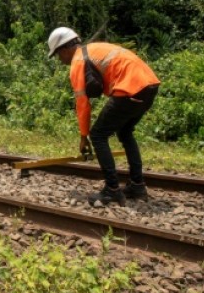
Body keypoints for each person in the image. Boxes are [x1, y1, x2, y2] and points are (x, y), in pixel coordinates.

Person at [47, 27, 161, 206]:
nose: (60, 60)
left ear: (64, 49)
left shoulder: (78, 61)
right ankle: (137, 186)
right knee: (125, 132)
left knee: (98, 135)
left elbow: (82, 104)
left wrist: (84, 136)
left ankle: (112, 190)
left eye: (58, 55)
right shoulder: (94, 49)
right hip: (150, 85)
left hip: (130, 88)